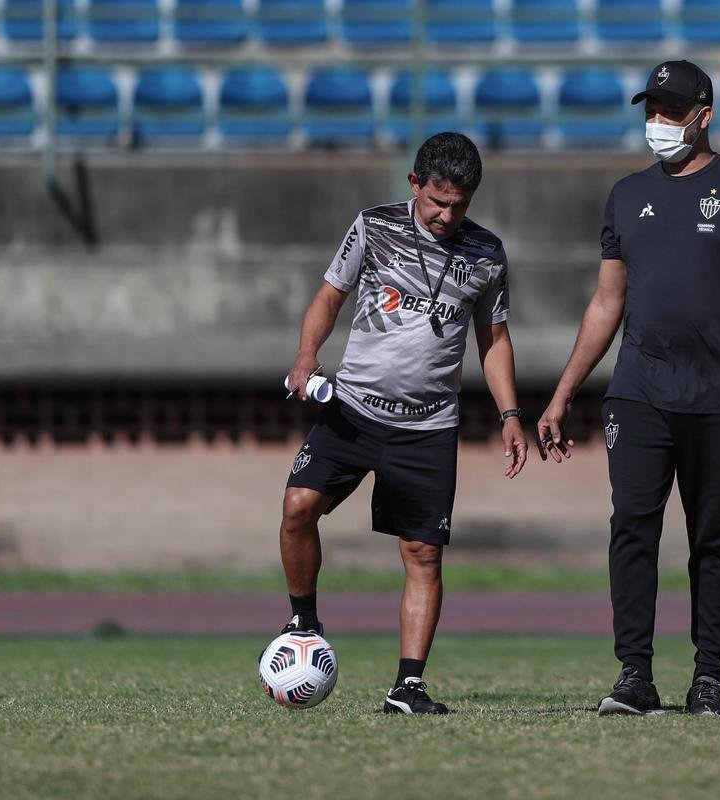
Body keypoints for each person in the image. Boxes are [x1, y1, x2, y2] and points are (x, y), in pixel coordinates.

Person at [536, 60, 720, 716]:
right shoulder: (625, 196)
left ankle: (708, 675)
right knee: (632, 527)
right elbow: (606, 302)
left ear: (703, 117)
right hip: (639, 390)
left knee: (714, 541)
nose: (658, 123)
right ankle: (633, 676)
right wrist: (562, 392)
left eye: (671, 112)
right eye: (651, 110)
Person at [275, 132, 527, 715]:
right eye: (437, 201)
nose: (446, 215)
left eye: (459, 205)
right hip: (353, 410)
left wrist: (511, 414)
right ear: (415, 184)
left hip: (428, 426)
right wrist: (306, 356)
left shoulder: (486, 254)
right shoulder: (373, 226)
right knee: (297, 507)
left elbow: (494, 340)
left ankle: (408, 687)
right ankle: (304, 624)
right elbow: (330, 296)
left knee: (422, 553)